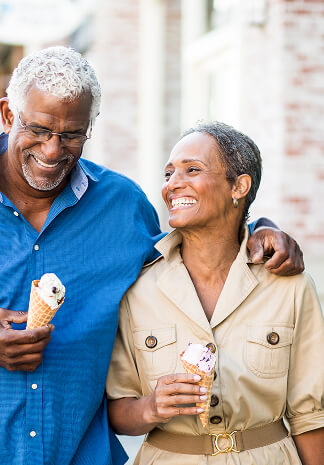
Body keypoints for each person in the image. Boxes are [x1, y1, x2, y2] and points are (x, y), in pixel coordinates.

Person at [0, 47, 303, 465]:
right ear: (9, 115)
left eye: (72, 135)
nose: (52, 150)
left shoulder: (122, 206)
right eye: (38, 129)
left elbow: (192, 250)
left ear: (91, 126)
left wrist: (258, 227)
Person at [106, 122, 324, 465]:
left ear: (239, 186)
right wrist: (152, 407)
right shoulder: (138, 289)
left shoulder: (291, 286)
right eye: (169, 173)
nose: (173, 184)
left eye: (192, 169)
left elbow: (310, 416)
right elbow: (118, 409)